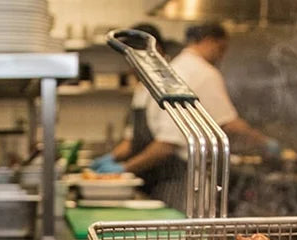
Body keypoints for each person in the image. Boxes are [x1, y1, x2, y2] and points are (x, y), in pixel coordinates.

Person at [95, 21, 281, 212]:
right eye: (221, 48)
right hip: (185, 180)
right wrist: (265, 143)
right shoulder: (204, 72)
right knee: (185, 229)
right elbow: (229, 124)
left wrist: (123, 167)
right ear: (209, 41)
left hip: (165, 179)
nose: (222, 56)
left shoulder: (172, 70)